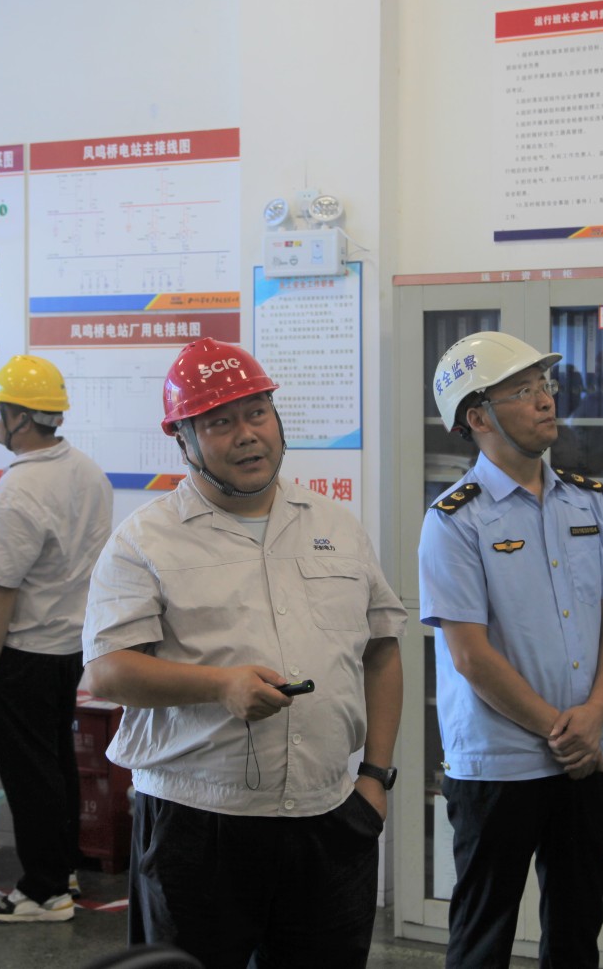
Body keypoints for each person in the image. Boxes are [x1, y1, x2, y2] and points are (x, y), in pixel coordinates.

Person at [83, 338, 404, 967]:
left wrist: (375, 777)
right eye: (219, 422)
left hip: (329, 813)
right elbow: (108, 671)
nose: (246, 435)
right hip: (197, 819)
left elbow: (382, 650)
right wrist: (219, 686)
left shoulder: (335, 526)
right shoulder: (145, 540)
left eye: (256, 413)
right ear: (184, 440)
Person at [419, 331, 603, 969]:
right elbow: (470, 655)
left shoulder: (585, 500)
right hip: (500, 764)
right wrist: (561, 731)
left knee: (577, 932)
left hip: (588, 757)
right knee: (483, 937)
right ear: (478, 417)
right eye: (523, 391)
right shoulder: (454, 520)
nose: (546, 401)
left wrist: (596, 716)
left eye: (545, 386)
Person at [0, 354, 111, 924]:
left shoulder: (20, 487)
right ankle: (63, 869)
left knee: (30, 775)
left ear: (21, 419)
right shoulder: (87, 471)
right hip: (69, 650)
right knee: (56, 766)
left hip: (24, 654)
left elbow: (0, 587)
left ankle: (42, 892)